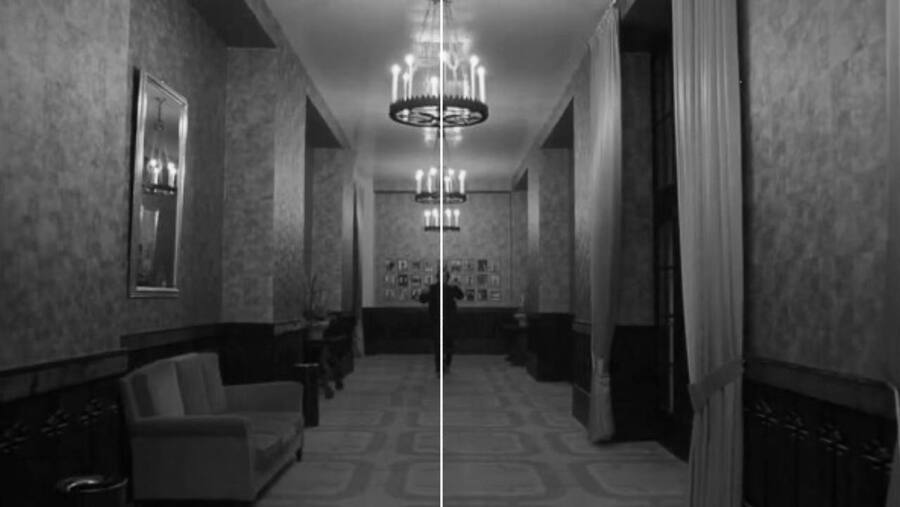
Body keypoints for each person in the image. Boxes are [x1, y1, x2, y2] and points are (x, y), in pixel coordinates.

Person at [419, 268, 464, 374]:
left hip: (449, 321)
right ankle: (439, 367)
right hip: (436, 321)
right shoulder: (432, 288)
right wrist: (424, 292)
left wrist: (457, 287)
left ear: (447, 278)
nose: (443, 278)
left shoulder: (451, 288)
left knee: (449, 345)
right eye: (441, 276)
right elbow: (422, 300)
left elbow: (460, 296)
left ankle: (447, 364)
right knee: (437, 345)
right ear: (438, 277)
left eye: (445, 276)